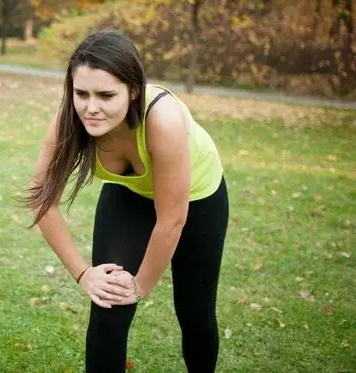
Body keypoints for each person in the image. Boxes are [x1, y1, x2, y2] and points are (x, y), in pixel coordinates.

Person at [22, 29, 229, 373]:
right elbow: (43, 199)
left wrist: (140, 285)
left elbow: (171, 220)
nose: (91, 107)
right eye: (81, 93)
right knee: (108, 307)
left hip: (196, 199)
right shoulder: (69, 120)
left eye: (105, 95)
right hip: (129, 196)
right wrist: (83, 274)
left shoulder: (163, 120)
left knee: (195, 312)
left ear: (133, 91)